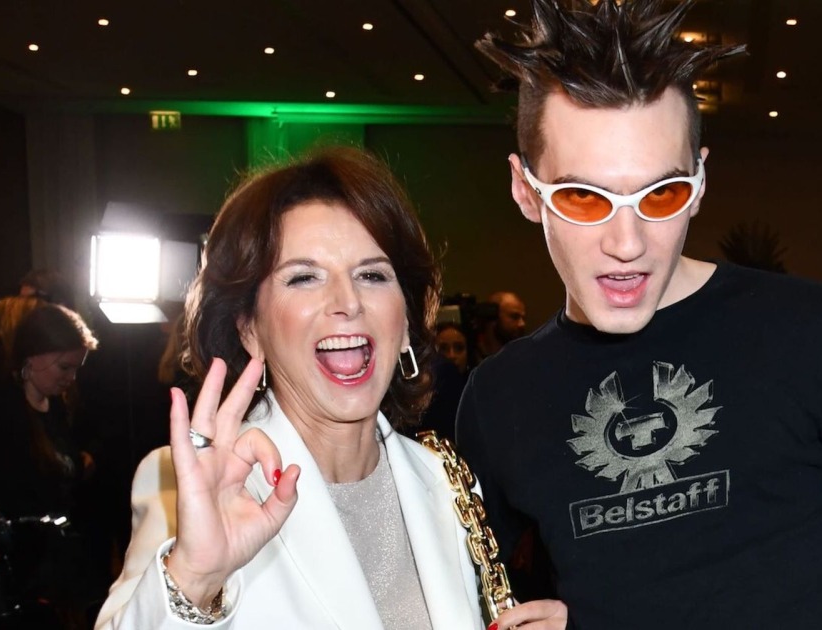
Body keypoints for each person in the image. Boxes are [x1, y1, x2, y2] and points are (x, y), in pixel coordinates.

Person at [455, 1, 822, 628]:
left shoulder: (815, 332)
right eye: (583, 197)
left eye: (662, 194)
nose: (627, 242)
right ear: (526, 191)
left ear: (699, 182)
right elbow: (462, 589)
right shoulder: (500, 396)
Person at [95, 148, 565, 629]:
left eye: (372, 275)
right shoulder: (191, 484)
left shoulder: (445, 482)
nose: (347, 302)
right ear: (249, 328)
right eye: (303, 277)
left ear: (406, 320)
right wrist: (194, 577)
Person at [0, 302, 100, 627]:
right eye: (64, 367)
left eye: (76, 368)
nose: (71, 378)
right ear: (32, 358)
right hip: (23, 574)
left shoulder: (55, 404)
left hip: (57, 564)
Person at [474, 291, 528, 362]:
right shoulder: (470, 356)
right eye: (514, 317)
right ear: (493, 317)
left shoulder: (524, 358)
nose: (522, 324)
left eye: (523, 318)